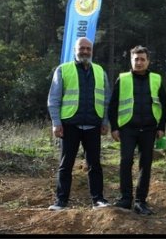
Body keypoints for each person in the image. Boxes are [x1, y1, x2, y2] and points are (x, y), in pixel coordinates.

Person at [46, 37, 111, 210]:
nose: (85, 51)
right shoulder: (63, 70)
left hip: (93, 125)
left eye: (88, 49)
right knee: (65, 165)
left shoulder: (100, 71)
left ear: (92, 51)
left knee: (95, 164)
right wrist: (56, 122)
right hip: (69, 125)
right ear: (75, 50)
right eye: (82, 48)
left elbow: (106, 99)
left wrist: (104, 121)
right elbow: (53, 98)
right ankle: (61, 201)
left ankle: (98, 199)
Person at [108, 45, 166, 215]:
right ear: (131, 60)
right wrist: (114, 127)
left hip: (149, 129)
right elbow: (113, 105)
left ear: (148, 61)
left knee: (146, 165)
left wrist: (161, 126)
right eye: (136, 59)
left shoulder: (156, 79)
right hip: (127, 128)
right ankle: (126, 199)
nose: (139, 62)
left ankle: (141, 201)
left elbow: (164, 105)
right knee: (126, 162)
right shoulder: (123, 79)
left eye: (143, 59)